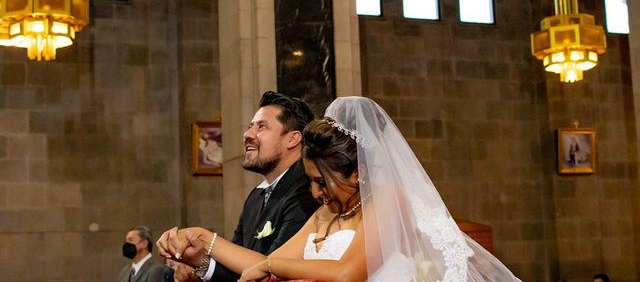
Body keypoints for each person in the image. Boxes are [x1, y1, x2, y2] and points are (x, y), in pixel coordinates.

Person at [162, 96, 522, 281]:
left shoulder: (387, 200)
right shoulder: (325, 215)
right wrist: (205, 238)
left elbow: (349, 273)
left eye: (321, 181)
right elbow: (264, 263)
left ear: (357, 174)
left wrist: (272, 264)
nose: (316, 192)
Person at [158, 91, 319, 281]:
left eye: (262, 127)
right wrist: (200, 264)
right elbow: (240, 271)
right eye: (250, 126)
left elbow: (274, 270)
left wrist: (205, 238)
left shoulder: (308, 191)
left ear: (292, 139)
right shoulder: (255, 197)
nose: (247, 134)